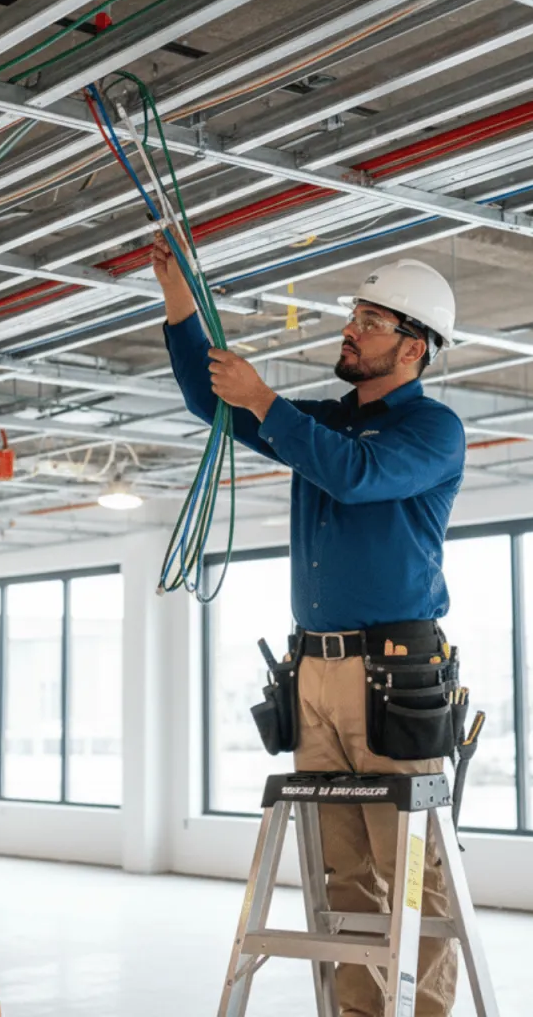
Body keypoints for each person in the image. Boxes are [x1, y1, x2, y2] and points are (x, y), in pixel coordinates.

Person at [154, 234, 466, 1017]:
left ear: (414, 345)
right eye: (353, 314)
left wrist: (268, 402)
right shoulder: (321, 424)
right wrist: (180, 301)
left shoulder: (431, 432)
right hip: (315, 675)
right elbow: (209, 402)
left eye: (370, 318)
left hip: (395, 678)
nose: (351, 328)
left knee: (410, 877)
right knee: (342, 875)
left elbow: (358, 477)